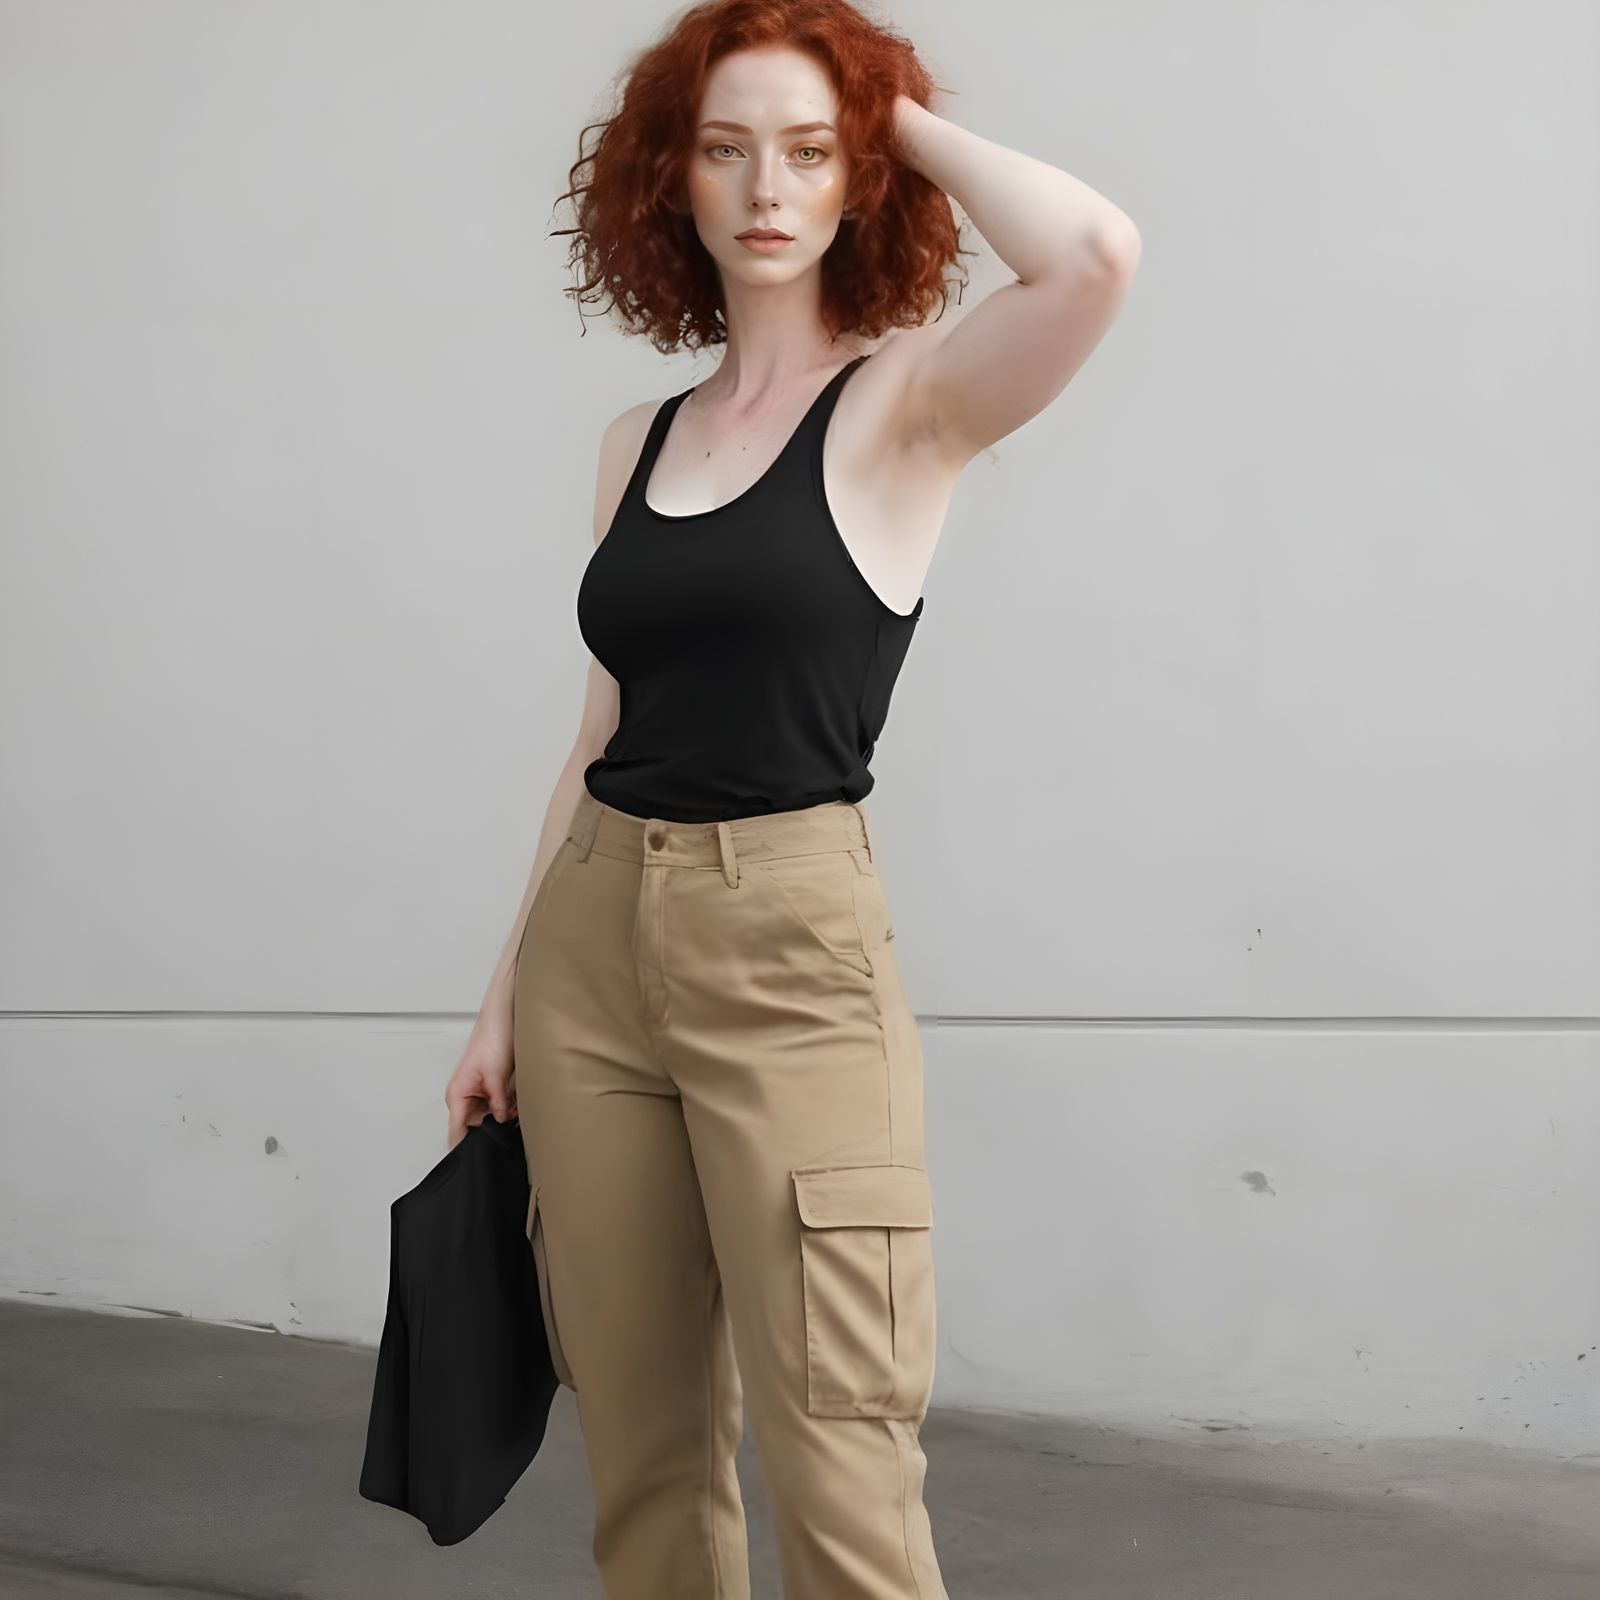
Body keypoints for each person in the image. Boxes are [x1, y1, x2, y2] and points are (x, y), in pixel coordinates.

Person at [444, 3, 1140, 1594]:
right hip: (591, 955)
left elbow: (1093, 253)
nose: (767, 186)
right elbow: (602, 733)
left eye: (808, 154)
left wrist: (884, 110)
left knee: (841, 1461)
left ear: (858, 186)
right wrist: (502, 999)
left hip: (793, 953)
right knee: (647, 1457)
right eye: (726, 147)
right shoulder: (641, 440)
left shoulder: (908, 408)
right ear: (668, 181)